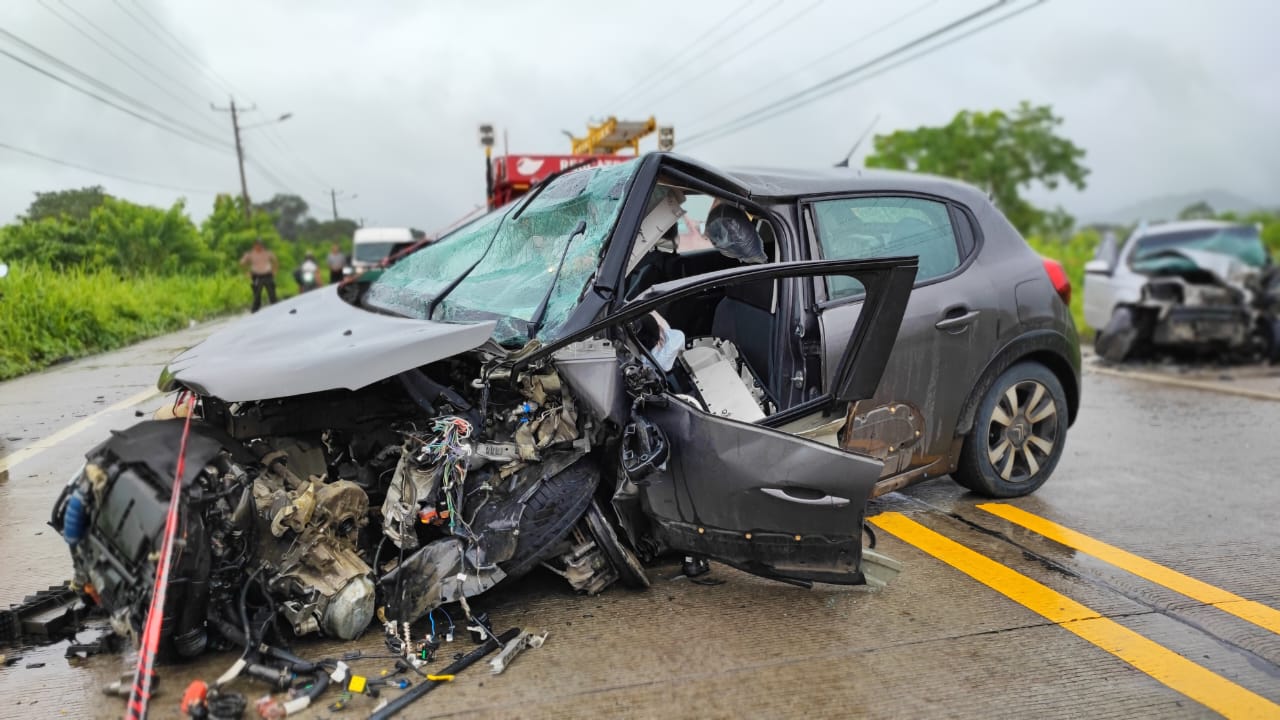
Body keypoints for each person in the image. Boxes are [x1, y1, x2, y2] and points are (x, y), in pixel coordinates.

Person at [239, 238, 278, 312]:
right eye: (257, 245)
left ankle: (275, 307)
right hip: (257, 276)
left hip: (267, 274)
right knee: (257, 294)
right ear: (254, 245)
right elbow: (242, 263)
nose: (259, 246)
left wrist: (275, 271)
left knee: (272, 293)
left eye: (260, 245)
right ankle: (255, 309)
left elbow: (275, 260)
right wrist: (247, 272)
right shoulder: (250, 254)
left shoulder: (267, 253)